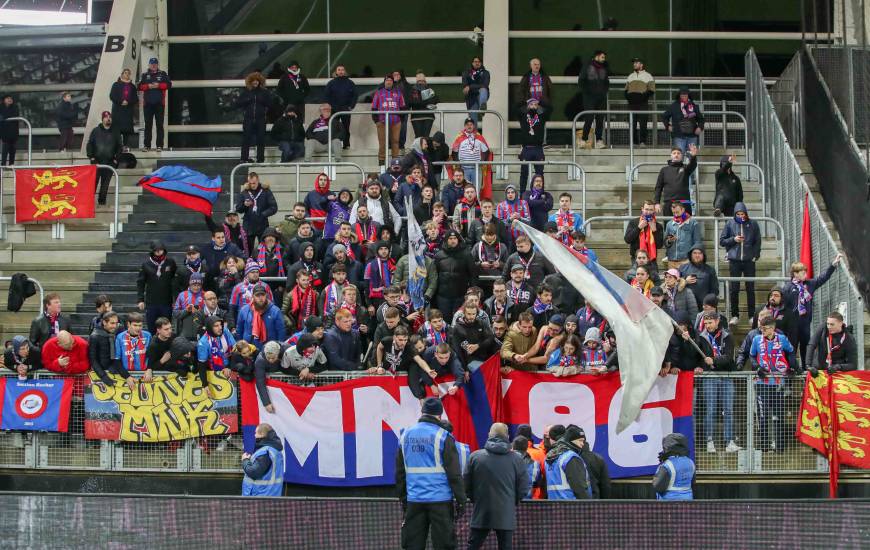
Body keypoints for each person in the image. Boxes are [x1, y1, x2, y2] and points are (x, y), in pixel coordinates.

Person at [396, 397, 466, 550]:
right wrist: (461, 500)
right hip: (440, 501)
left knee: (412, 544)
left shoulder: (405, 435)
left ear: (422, 413)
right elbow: (454, 473)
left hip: (414, 500)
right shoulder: (443, 436)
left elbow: (400, 472)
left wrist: (403, 499)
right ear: (439, 415)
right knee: (444, 544)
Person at [465, 422, 528, 550]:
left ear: (489, 435)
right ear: (508, 436)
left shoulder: (475, 457)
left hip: (481, 511)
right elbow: (523, 488)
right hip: (506, 512)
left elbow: (466, 484)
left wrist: (475, 499)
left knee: (473, 546)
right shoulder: (517, 459)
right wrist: (512, 501)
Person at [782, 254, 842, 366]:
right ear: (795, 273)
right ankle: (790, 371)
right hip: (792, 324)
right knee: (791, 348)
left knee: (806, 348)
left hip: (805, 323)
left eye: (805, 271)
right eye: (802, 272)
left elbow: (822, 278)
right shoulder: (788, 288)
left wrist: (833, 265)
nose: (805, 274)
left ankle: (806, 370)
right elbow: (784, 306)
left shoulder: (809, 284)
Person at [695, 311, 740, 454]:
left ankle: (729, 442)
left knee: (728, 410)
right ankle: (710, 441)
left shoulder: (727, 337)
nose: (708, 326)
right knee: (711, 410)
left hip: (726, 376)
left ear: (717, 321)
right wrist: (700, 365)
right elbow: (697, 357)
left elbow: (728, 357)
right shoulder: (701, 337)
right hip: (710, 377)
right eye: (706, 323)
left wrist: (714, 360)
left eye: (710, 322)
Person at [750, 317, 796, 453]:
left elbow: (791, 352)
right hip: (762, 383)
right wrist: (758, 368)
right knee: (763, 416)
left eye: (764, 328)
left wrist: (792, 367)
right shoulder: (757, 339)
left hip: (778, 383)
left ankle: (779, 447)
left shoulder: (782, 339)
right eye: (761, 328)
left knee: (778, 416)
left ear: (772, 328)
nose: (762, 330)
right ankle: (764, 446)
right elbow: (752, 356)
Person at [719, 202, 761, 325]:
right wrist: (734, 239)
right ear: (735, 214)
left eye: (742, 213)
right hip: (734, 261)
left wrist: (755, 255)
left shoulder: (753, 224)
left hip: (749, 261)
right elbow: (722, 241)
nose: (741, 216)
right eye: (738, 214)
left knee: (750, 289)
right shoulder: (730, 224)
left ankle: (752, 316)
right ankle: (735, 315)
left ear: (746, 213)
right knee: (734, 289)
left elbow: (757, 241)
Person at [137, 240, 177, 333]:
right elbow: (140, 282)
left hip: (166, 301)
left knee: (166, 327)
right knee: (152, 328)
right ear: (152, 251)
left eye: (161, 250)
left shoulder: (170, 262)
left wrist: (176, 299)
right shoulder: (146, 264)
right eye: (156, 250)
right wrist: (140, 299)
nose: (159, 252)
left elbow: (175, 281)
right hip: (151, 302)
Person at [434, 230, 476, 317]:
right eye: (450, 238)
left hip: (461, 295)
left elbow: (473, 275)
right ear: (446, 240)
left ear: (458, 240)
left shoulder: (466, 255)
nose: (453, 240)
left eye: (455, 238)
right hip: (443, 296)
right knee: (444, 320)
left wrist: (472, 292)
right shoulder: (439, 255)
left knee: (460, 320)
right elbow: (434, 276)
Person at [545, 424, 592, 499]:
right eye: (580, 440)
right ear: (571, 440)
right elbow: (579, 488)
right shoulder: (571, 458)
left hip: (553, 504)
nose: (582, 444)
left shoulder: (549, 456)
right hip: (572, 506)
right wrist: (588, 506)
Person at [236, 72, 273, 163]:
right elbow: (238, 103)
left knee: (261, 139)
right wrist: (247, 100)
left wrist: (263, 101)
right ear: (250, 82)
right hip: (248, 118)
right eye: (253, 81)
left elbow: (271, 104)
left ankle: (260, 159)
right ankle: (244, 158)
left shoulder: (264, 92)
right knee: (246, 138)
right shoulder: (247, 92)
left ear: (260, 81)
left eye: (257, 80)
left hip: (260, 119)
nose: (255, 82)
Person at [86, 110, 122, 205]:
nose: (108, 119)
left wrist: (116, 159)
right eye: (106, 117)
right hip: (97, 162)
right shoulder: (95, 131)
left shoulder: (115, 132)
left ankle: (102, 202)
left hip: (110, 163)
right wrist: (91, 157)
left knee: (105, 184)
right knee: (93, 183)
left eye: (109, 117)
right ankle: (89, 203)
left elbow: (119, 146)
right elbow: (90, 144)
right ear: (102, 119)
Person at [236, 172, 278, 252]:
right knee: (247, 249)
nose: (252, 185)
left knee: (264, 249)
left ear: (258, 180)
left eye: (254, 183)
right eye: (250, 183)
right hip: (248, 225)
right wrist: (244, 205)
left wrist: (263, 214)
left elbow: (274, 207)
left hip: (262, 223)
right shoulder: (245, 192)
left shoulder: (266, 191)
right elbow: (238, 209)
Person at [89, 312, 133, 388]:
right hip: (103, 375)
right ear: (104, 322)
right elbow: (93, 360)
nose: (115, 326)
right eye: (112, 323)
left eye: (116, 323)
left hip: (119, 370)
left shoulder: (120, 331)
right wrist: (104, 377)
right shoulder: (94, 336)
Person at [806, 311, 858, 375]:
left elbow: (853, 365)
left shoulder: (849, 338)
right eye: (828, 324)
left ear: (840, 323)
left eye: (832, 324)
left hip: (836, 371)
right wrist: (808, 365)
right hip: (818, 369)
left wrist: (838, 367)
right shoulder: (823, 328)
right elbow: (811, 345)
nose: (829, 327)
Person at [236, 284, 286, 349]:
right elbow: (239, 330)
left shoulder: (275, 311)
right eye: (257, 295)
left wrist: (279, 348)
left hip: (270, 350)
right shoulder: (244, 310)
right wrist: (240, 348)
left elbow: (281, 331)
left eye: (262, 295)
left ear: (266, 295)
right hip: (248, 349)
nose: (260, 298)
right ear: (253, 296)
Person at [137, 57, 171, 152]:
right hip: (147, 104)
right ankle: (146, 145)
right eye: (152, 64)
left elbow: (169, 85)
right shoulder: (144, 75)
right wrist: (148, 86)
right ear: (149, 65)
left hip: (160, 104)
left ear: (157, 65)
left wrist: (158, 85)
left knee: (159, 125)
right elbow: (139, 86)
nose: (153, 65)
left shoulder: (162, 74)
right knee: (148, 125)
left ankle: (159, 145)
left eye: (155, 64)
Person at [241, 422, 285, 496]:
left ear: (261, 435)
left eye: (256, 433)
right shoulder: (276, 450)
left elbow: (253, 472)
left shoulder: (265, 452)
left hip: (260, 496)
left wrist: (245, 460)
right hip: (271, 495)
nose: (254, 435)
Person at [578, 50, 610, 148]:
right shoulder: (587, 66)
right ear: (596, 57)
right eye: (602, 57)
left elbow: (607, 82)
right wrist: (588, 92)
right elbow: (581, 81)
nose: (604, 60)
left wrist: (604, 92)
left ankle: (599, 140)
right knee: (589, 118)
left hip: (601, 98)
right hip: (589, 98)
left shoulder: (604, 68)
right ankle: (583, 139)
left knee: (600, 119)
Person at [655, 144, 698, 217]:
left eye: (678, 153)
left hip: (684, 203)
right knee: (669, 227)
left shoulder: (686, 168)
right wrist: (657, 203)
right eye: (674, 153)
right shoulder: (664, 170)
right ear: (671, 155)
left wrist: (693, 157)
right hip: (669, 203)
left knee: (686, 226)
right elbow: (658, 187)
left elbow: (693, 165)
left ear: (682, 156)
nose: (676, 155)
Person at [371, 74, 405, 165]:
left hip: (396, 122)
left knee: (395, 141)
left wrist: (401, 119)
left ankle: (395, 162)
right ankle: (381, 161)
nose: (389, 82)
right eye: (387, 80)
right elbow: (374, 108)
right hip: (382, 122)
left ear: (393, 82)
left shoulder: (398, 93)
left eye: (390, 80)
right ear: (384, 82)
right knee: (382, 142)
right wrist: (376, 121)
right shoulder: (378, 93)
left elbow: (403, 107)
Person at [451, 303, 496, 372]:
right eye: (469, 314)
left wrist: (478, 346)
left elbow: (491, 338)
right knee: (484, 371)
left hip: (485, 357)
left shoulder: (481, 323)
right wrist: (465, 369)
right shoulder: (457, 328)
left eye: (473, 314)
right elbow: (458, 351)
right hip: (470, 360)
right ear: (464, 313)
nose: (471, 316)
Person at [197, 315, 236, 388]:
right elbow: (202, 366)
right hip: (214, 372)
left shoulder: (225, 331)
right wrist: (205, 385)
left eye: (220, 324)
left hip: (230, 366)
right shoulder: (203, 343)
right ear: (209, 328)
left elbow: (235, 350)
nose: (220, 328)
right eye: (216, 326)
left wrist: (229, 367)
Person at [662, 86, 704, 155]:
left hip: (692, 136)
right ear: (679, 95)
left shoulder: (693, 105)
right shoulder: (674, 106)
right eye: (682, 95)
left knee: (691, 158)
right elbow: (664, 117)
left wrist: (700, 127)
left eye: (685, 95)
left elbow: (701, 119)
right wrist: (668, 126)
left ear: (688, 95)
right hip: (679, 136)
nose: (684, 96)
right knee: (679, 158)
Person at [652, 433, 695, 500]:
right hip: (688, 502)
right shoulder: (690, 462)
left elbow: (658, 486)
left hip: (669, 504)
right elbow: (692, 482)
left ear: (668, 447)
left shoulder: (667, 465)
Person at [323, 64, 357, 149]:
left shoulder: (350, 83)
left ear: (344, 71)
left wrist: (351, 106)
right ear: (336, 72)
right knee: (334, 128)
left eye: (342, 70)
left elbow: (355, 95)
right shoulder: (331, 83)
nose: (341, 71)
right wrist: (329, 106)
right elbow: (326, 95)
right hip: (334, 110)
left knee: (346, 128)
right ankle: (334, 145)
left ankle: (346, 145)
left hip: (345, 109)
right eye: (339, 70)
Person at [517, 98, 546, 194]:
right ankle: (522, 195)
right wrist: (524, 101)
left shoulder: (541, 117)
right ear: (527, 106)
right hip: (526, 148)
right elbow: (515, 108)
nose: (533, 106)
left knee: (540, 174)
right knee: (524, 173)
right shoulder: (523, 116)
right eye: (531, 104)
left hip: (538, 148)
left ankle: (539, 194)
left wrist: (540, 102)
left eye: (535, 105)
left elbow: (550, 108)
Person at [451, 118, 489, 189]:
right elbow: (454, 152)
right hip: (464, 169)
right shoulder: (459, 138)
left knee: (476, 190)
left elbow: (486, 151)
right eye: (467, 124)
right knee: (465, 190)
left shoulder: (479, 137)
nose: (469, 126)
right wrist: (458, 163)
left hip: (476, 169)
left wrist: (482, 162)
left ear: (473, 126)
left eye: (471, 124)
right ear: (465, 126)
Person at [625, 57, 655, 146]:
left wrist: (643, 97)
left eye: (636, 63)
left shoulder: (648, 76)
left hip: (643, 103)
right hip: (631, 104)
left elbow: (652, 90)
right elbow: (626, 90)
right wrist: (628, 97)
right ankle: (634, 142)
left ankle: (642, 142)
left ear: (641, 65)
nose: (634, 64)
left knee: (643, 123)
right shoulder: (630, 76)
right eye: (634, 63)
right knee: (632, 123)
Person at [624, 200, 663, 265]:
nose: (648, 212)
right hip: (636, 259)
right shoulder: (633, 222)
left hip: (651, 260)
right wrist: (639, 228)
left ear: (654, 211)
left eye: (651, 210)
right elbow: (627, 240)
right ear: (642, 209)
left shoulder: (658, 225)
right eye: (646, 209)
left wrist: (654, 231)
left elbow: (659, 245)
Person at [664, 201, 702, 269]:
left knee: (686, 280)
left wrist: (694, 258)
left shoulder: (693, 223)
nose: (675, 215)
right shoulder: (669, 224)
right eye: (673, 213)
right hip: (672, 261)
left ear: (683, 210)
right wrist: (669, 241)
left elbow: (697, 242)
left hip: (687, 261)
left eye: (677, 212)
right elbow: (665, 243)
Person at [109, 68, 138, 151]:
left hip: (127, 110)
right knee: (117, 129)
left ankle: (125, 145)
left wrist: (128, 102)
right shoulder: (116, 84)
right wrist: (120, 101)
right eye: (125, 73)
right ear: (122, 74)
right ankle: (116, 145)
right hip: (118, 110)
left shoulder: (132, 86)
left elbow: (135, 98)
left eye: (128, 73)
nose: (127, 75)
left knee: (126, 129)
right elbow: (112, 96)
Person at [409, 71, 438, 138]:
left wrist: (421, 101)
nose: (421, 82)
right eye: (419, 81)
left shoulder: (430, 89)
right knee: (418, 138)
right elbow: (410, 102)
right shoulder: (412, 90)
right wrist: (426, 101)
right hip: (416, 117)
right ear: (417, 81)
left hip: (428, 116)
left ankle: (425, 148)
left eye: (423, 81)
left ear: (425, 81)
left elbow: (435, 100)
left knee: (426, 137)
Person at [463, 56, 490, 127]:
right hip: (471, 98)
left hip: (481, 95)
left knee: (483, 90)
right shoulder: (466, 73)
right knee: (473, 122)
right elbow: (465, 85)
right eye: (475, 62)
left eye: (479, 62)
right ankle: (474, 136)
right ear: (472, 63)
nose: (477, 63)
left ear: (481, 63)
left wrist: (470, 86)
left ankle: (482, 107)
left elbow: (485, 85)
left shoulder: (486, 73)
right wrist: (469, 87)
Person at [0, 94, 19, 166]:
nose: (10, 99)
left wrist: (4, 117)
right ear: (4, 100)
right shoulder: (1, 107)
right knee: (5, 147)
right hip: (4, 131)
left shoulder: (15, 107)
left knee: (12, 149)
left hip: (13, 132)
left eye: (11, 98)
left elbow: (14, 114)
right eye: (8, 98)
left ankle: (11, 164)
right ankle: (3, 164)